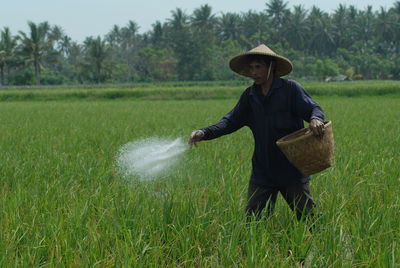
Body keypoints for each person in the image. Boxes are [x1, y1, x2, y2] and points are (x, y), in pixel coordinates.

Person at [188, 44, 326, 221]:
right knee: (253, 222)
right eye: (251, 68)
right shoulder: (250, 96)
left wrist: (316, 119)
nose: (254, 72)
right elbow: (229, 121)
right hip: (263, 170)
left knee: (309, 217)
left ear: (271, 67)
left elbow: (314, 108)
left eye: (259, 67)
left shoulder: (290, 90)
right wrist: (204, 132)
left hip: (291, 169)